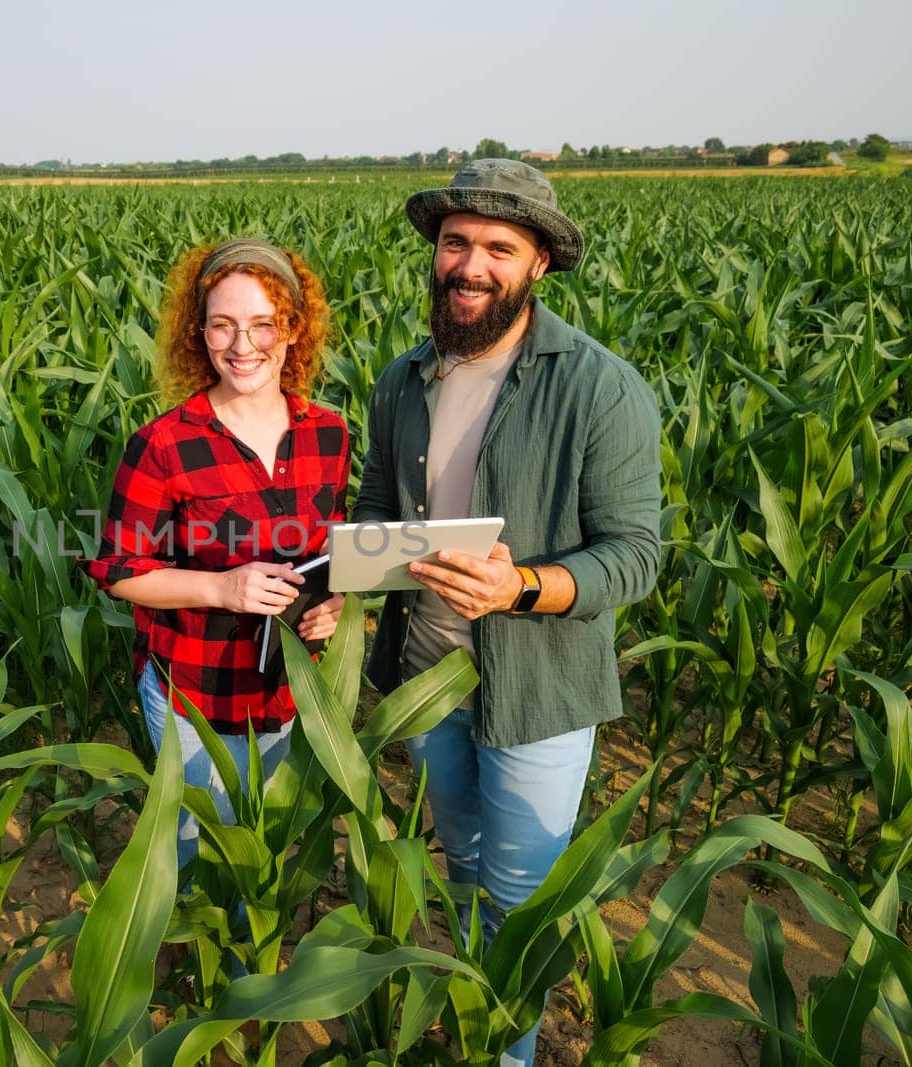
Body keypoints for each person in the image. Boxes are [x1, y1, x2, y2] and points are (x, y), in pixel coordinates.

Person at [352, 159, 661, 1066]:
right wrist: (350, 576)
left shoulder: (598, 387)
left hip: (539, 691)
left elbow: (634, 555)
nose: (471, 263)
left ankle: (509, 1055)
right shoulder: (404, 378)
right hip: (432, 682)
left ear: (538, 266)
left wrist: (521, 585)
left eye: (499, 246)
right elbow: (378, 505)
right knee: (464, 870)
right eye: (457, 243)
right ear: (435, 253)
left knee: (521, 907)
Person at [85, 238, 349, 869]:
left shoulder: (329, 433)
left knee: (265, 859)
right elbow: (119, 571)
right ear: (197, 334)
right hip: (195, 697)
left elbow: (327, 551)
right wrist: (222, 589)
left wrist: (330, 604)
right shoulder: (163, 445)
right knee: (200, 866)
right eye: (223, 326)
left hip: (289, 690)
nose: (243, 345)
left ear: (293, 330)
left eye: (263, 325)